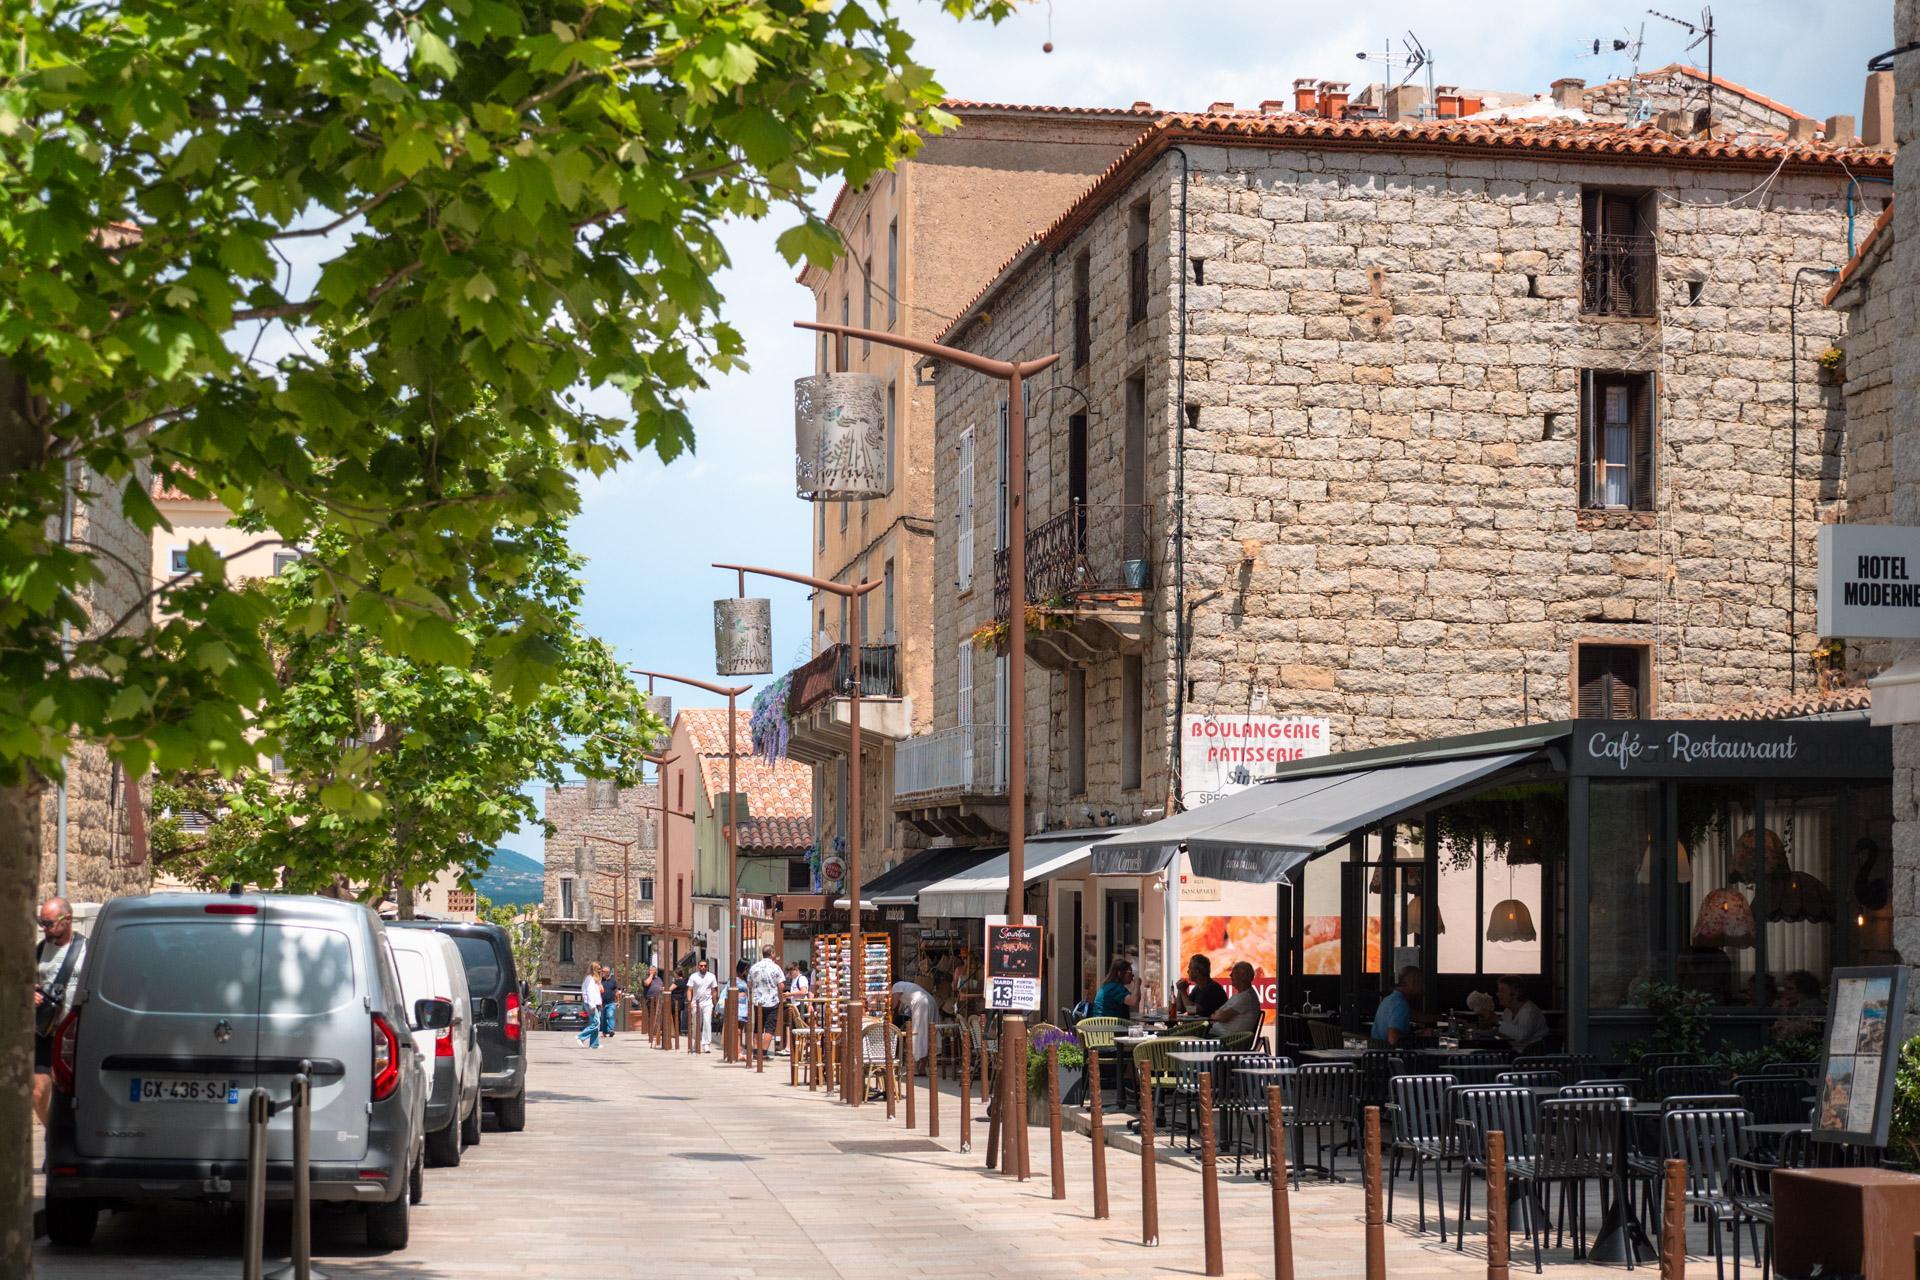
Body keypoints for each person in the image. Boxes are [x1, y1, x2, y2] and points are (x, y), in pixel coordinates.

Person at [33, 897, 86, 1127]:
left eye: (48, 923)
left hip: (74, 1035)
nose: (43, 928)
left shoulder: (87, 950)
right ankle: (50, 1134)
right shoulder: (39, 951)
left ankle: (60, 1139)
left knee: (67, 1095)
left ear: (68, 919)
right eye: (41, 922)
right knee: (37, 1093)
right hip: (44, 1033)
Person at [1370, 965, 1425, 1048]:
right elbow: (1393, 1039)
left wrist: (1442, 1018)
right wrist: (1420, 1036)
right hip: (1391, 1057)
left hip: (1378, 1055)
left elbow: (1415, 1016)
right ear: (1413, 983)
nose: (1422, 986)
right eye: (1420, 982)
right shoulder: (1400, 1004)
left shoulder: (1389, 999)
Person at [891, 979, 937, 1075]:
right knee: (927, 1034)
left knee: (917, 1033)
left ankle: (914, 1068)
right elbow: (899, 1008)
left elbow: (893, 1005)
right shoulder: (906, 986)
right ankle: (922, 1068)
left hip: (921, 1004)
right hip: (930, 1001)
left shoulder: (896, 986)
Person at [1494, 975, 1546, 1052]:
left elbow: (1521, 1036)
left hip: (1535, 1055)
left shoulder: (1529, 1011)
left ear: (1516, 993)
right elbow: (1504, 1032)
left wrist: (1496, 1020)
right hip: (1518, 1053)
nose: (1498, 994)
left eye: (1502, 991)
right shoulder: (1507, 1012)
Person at [748, 945, 784, 1055]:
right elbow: (781, 985)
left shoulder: (754, 967)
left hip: (758, 1001)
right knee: (769, 1028)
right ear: (772, 954)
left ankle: (755, 1052)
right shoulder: (775, 967)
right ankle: (762, 1053)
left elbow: (749, 984)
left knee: (758, 1027)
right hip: (772, 1002)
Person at [1211, 961, 1262, 1039]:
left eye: (1234, 973)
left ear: (1243, 976)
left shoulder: (1246, 997)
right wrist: (1217, 1015)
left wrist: (1218, 1015)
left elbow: (1222, 1016)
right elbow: (1217, 1014)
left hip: (1227, 1041)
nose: (1230, 975)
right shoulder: (1240, 995)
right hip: (1220, 1037)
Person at [1176, 955, 1227, 1020]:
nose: (1187, 971)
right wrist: (1180, 990)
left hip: (1211, 1028)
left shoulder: (1212, 989)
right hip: (1200, 1026)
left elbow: (1191, 1010)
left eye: (1190, 969)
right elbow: (1180, 1009)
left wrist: (1183, 992)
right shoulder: (1198, 988)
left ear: (1197, 972)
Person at [685, 958, 718, 1053]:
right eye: (701, 966)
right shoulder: (693, 976)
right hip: (696, 1003)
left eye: (705, 966)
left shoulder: (712, 976)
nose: (703, 967)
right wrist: (689, 1002)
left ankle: (706, 1044)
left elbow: (714, 991)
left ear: (707, 967)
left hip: (708, 1003)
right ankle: (696, 1041)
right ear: (698, 967)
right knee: (696, 1023)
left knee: (707, 1022)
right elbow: (689, 990)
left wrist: (715, 1004)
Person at [577, 963, 603, 1049]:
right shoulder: (590, 979)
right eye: (598, 969)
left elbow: (597, 992)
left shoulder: (594, 979)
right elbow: (590, 992)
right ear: (595, 970)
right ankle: (581, 1036)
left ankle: (594, 1044)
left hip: (595, 1004)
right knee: (596, 1022)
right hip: (591, 1004)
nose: (600, 971)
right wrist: (592, 1005)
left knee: (595, 1024)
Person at [599, 966, 620, 1038]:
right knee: (603, 1018)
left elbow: (616, 991)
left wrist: (618, 1001)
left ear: (608, 973)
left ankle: (611, 1030)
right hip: (602, 1003)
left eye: (604, 971)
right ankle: (604, 1032)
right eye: (602, 971)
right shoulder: (600, 981)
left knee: (610, 1015)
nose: (602, 972)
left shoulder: (613, 981)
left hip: (611, 1002)